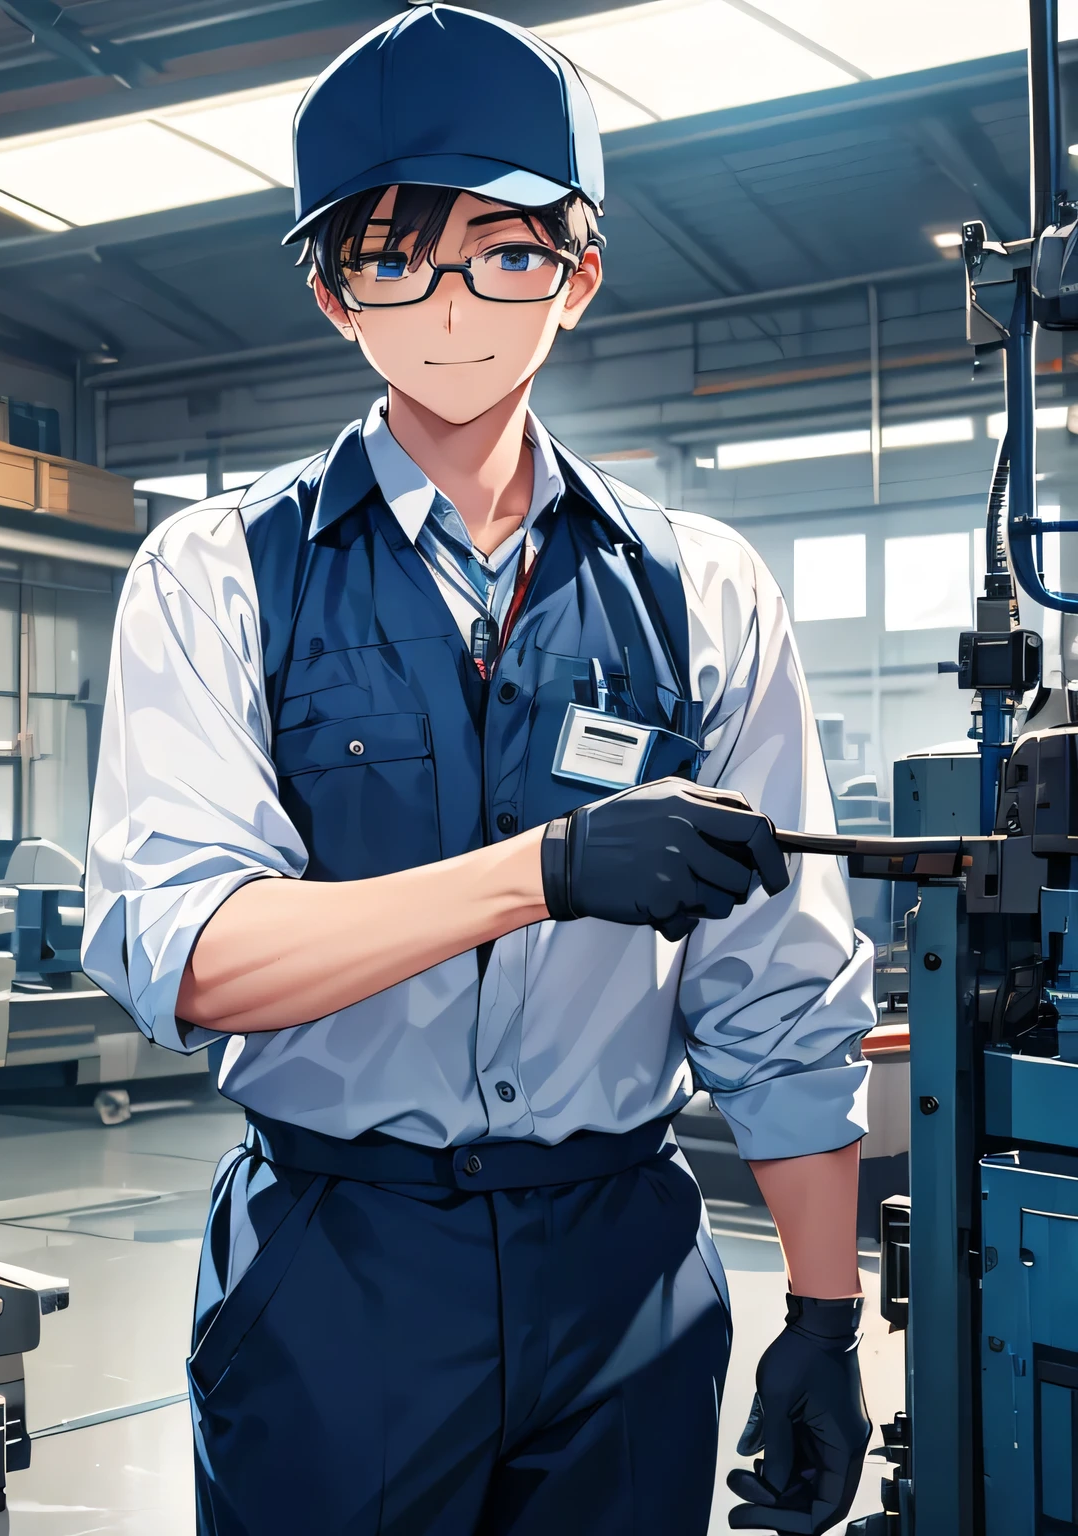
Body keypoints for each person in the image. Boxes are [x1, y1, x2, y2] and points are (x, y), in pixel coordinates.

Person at [83, 6, 874, 1533]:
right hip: (340, 1268)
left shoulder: (699, 588)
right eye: (394, 259)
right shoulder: (219, 576)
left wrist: (827, 1317)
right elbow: (189, 954)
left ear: (576, 273)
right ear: (334, 293)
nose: (452, 306)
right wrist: (547, 873)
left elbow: (777, 986)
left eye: (504, 253)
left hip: (626, 1272)